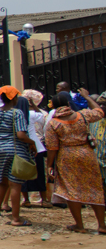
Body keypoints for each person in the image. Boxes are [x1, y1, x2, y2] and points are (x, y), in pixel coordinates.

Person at [45, 90, 106, 234]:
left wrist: (49, 165)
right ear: (68, 103)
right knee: (95, 187)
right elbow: (99, 111)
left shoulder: (53, 123)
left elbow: (52, 147)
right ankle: (102, 225)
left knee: (71, 189)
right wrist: (86, 97)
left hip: (67, 156)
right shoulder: (83, 115)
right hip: (87, 154)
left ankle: (79, 225)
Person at [0, 86, 36, 226]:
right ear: (13, 98)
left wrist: (0, 137)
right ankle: (16, 218)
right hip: (14, 149)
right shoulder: (17, 113)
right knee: (15, 184)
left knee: (2, 180)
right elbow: (21, 135)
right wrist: (32, 143)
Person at [20, 90, 50, 208]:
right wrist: (34, 106)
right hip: (36, 145)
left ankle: (26, 199)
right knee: (39, 173)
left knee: (23, 174)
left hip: (22, 146)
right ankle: (44, 199)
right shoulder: (33, 114)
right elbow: (42, 118)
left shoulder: (16, 114)